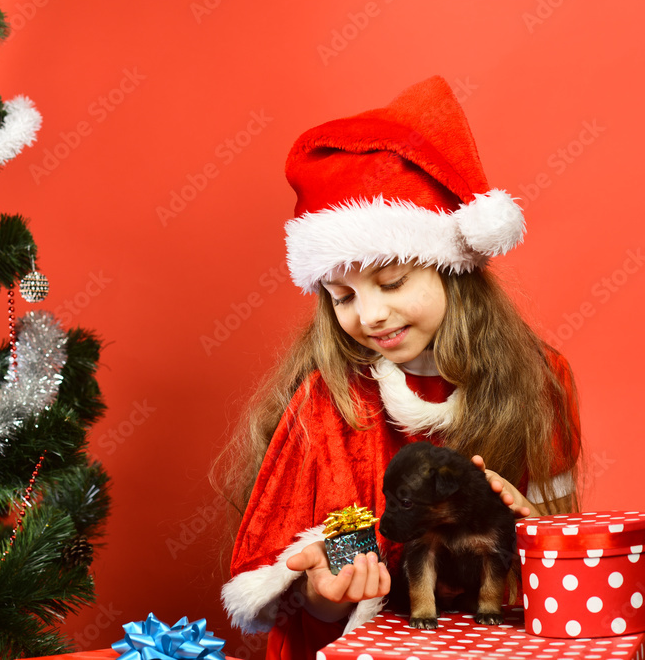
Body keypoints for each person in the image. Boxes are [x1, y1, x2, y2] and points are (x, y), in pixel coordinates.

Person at [216, 76, 581, 659]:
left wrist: (529, 525)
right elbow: (299, 597)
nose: (371, 315)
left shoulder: (538, 380)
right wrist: (328, 592)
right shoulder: (328, 400)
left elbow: (565, 566)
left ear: (452, 270)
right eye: (342, 296)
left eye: (391, 282)